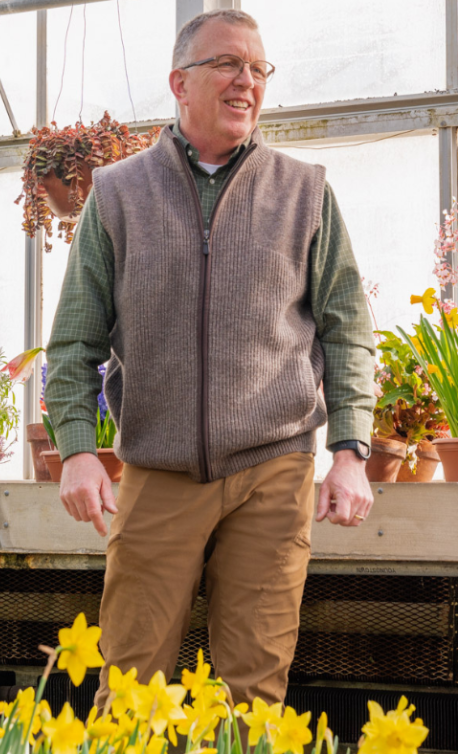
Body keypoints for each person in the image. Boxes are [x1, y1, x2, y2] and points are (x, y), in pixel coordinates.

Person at [43, 9, 376, 709]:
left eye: (258, 69)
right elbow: (75, 341)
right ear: (180, 82)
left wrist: (351, 449)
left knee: (254, 692)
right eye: (227, 64)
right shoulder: (117, 194)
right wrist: (76, 449)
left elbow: (347, 327)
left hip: (273, 472)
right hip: (157, 471)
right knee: (129, 687)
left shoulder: (304, 190)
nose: (245, 81)